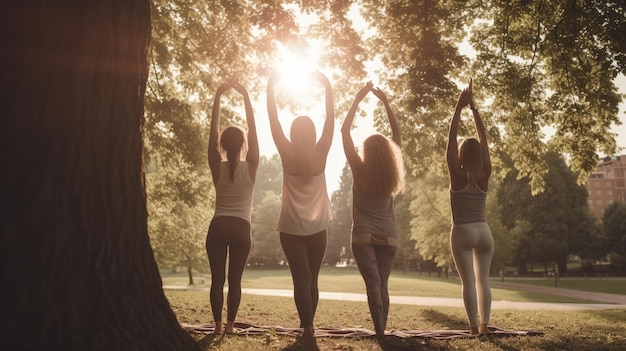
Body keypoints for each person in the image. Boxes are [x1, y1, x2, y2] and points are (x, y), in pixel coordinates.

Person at [266, 70, 335, 337]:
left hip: (291, 230)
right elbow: (330, 119)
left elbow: (273, 120)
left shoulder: (287, 153)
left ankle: (306, 326)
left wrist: (271, 85)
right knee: (312, 279)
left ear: (294, 134)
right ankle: (308, 326)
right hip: (318, 229)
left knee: (301, 279)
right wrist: (327, 86)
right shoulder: (322, 153)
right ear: (313, 134)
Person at [341, 81, 404, 336]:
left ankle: (379, 330)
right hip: (389, 237)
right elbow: (397, 136)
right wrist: (386, 103)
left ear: (366, 150)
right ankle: (382, 330)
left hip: (363, 236)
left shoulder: (359, 169)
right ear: (389, 154)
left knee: (373, 285)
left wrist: (357, 99)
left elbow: (344, 133)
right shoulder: (391, 175)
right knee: (383, 284)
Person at [206, 79, 259, 335]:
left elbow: (212, 132)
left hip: (218, 226)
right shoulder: (251, 167)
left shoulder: (217, 166)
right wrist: (246, 96)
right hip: (241, 228)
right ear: (244, 145)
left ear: (222, 146)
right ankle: (229, 327)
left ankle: (216, 326)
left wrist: (218, 96)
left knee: (217, 280)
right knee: (234, 281)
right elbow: (254, 129)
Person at [446, 79, 494, 335]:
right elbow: (484, 139)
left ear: (462, 155)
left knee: (468, 283)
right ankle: (484, 326)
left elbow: (451, 140)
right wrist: (475, 109)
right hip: (484, 231)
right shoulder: (486, 173)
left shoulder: (457, 175)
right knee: (483, 281)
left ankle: (474, 329)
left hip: (462, 231)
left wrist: (459, 107)